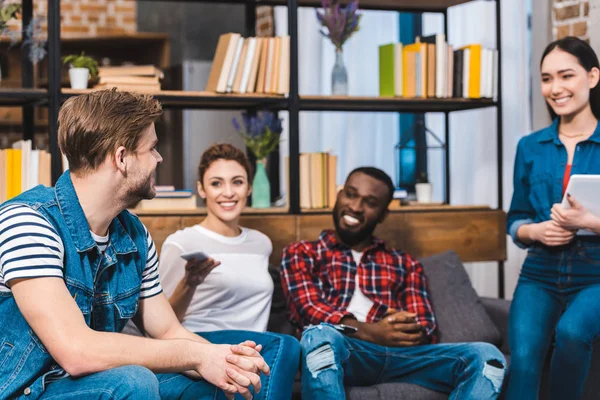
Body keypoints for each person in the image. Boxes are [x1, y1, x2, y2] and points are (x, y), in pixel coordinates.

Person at [0, 90, 269, 400]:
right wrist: (195, 356)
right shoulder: (28, 222)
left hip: (93, 384)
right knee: (134, 381)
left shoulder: (134, 234)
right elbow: (76, 350)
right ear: (122, 157)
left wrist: (227, 360)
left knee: (212, 384)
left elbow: (168, 330)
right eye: (152, 148)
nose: (159, 158)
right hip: (26, 390)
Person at [280, 166, 506, 399]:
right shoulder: (302, 253)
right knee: (318, 336)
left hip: (403, 358)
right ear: (339, 196)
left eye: (370, 202)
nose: (356, 207)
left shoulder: (403, 262)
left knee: (487, 356)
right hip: (345, 352)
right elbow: (308, 310)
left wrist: (404, 327)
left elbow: (426, 326)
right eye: (350, 194)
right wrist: (373, 332)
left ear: (383, 214)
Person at [155, 143, 301, 400]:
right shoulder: (182, 243)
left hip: (251, 346)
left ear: (249, 188)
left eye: (237, 182)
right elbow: (161, 324)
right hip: (201, 342)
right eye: (216, 183)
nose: (228, 192)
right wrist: (190, 284)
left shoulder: (261, 243)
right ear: (202, 189)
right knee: (286, 346)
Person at [504, 36, 600, 399]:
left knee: (573, 332)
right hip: (539, 272)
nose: (555, 88)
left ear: (592, 77)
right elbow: (515, 219)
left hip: (596, 273)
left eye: (566, 76)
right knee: (524, 359)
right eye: (546, 79)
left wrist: (587, 223)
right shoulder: (529, 146)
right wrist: (535, 231)